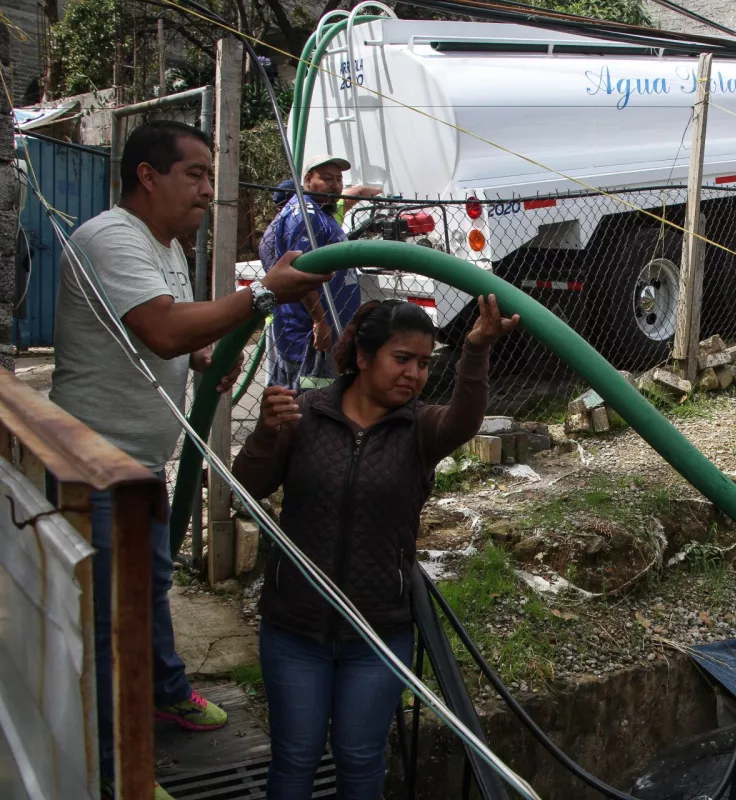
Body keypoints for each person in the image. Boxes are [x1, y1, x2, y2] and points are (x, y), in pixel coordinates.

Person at [49, 120, 331, 800]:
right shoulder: (113, 237)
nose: (210, 189)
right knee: (107, 622)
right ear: (148, 176)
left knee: (147, 588)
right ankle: (119, 772)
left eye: (211, 175)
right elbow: (161, 326)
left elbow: (170, 330)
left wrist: (205, 354)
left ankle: (166, 692)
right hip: (92, 466)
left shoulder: (167, 247)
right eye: (196, 175)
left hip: (136, 463)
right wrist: (264, 293)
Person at [232, 296, 519, 799]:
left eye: (425, 363)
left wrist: (475, 350)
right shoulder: (305, 415)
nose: (414, 373)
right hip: (295, 628)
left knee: (362, 760)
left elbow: (465, 420)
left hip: (377, 632)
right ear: (363, 358)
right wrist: (264, 432)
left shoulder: (421, 430)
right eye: (401, 358)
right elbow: (248, 484)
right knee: (295, 758)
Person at [267, 155, 379, 393]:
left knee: (322, 393)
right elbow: (301, 273)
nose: (335, 185)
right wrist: (320, 321)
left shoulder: (322, 212)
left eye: (339, 179)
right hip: (308, 336)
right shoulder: (305, 216)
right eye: (327, 178)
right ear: (308, 180)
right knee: (309, 396)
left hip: (328, 327)